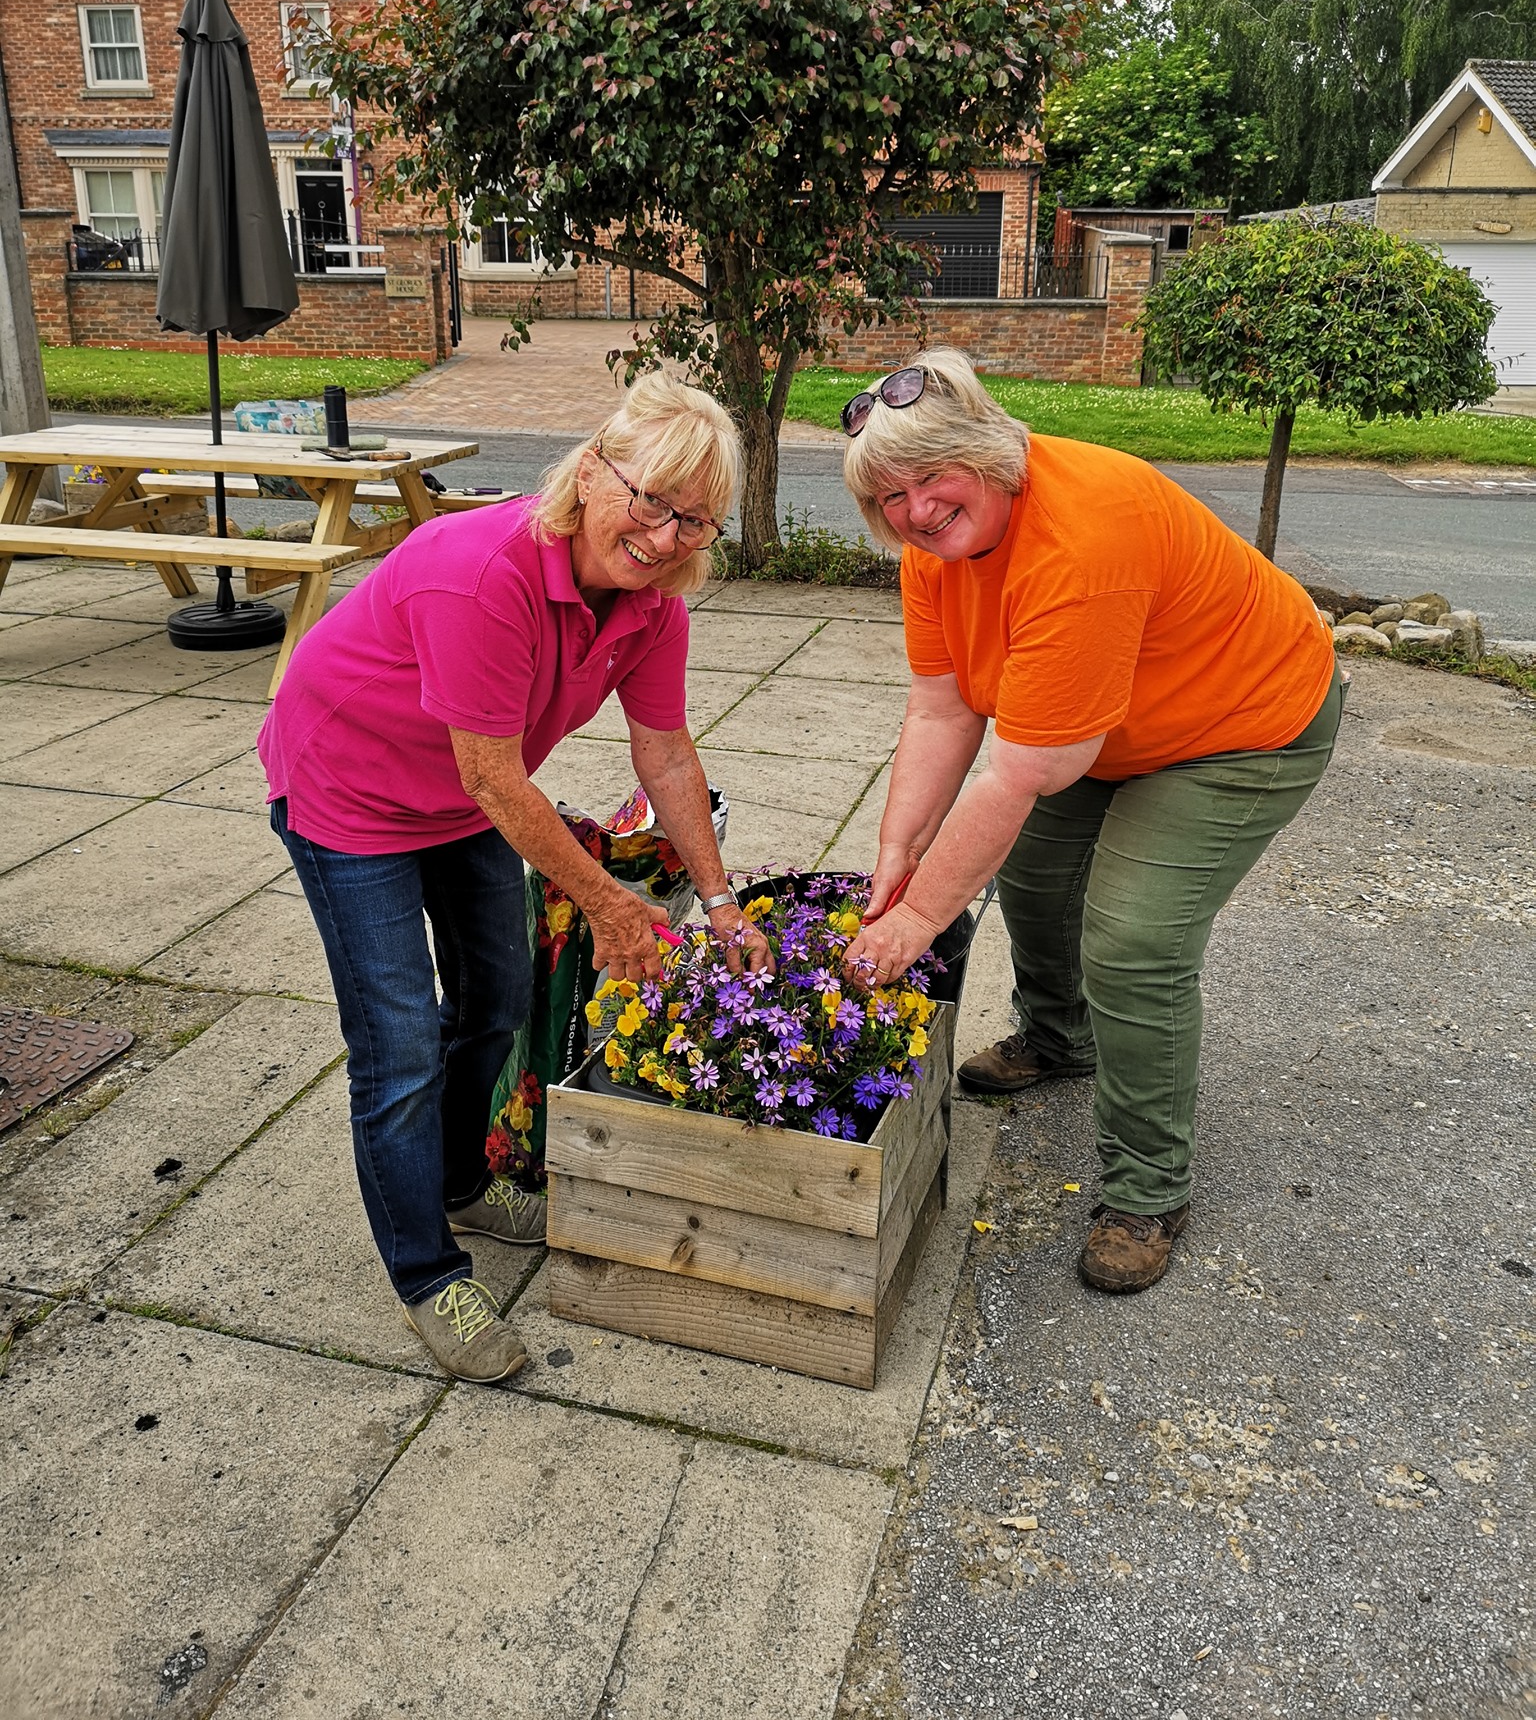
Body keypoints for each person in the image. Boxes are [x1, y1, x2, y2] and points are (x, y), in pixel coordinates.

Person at [258, 374, 767, 1381]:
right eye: (651, 499)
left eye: (694, 518)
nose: (665, 536)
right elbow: (493, 772)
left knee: (498, 996)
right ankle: (425, 1271)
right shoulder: (484, 572)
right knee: (398, 1040)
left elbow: (663, 751)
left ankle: (456, 1178)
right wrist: (612, 903)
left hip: (463, 796)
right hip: (348, 790)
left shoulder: (652, 608)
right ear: (592, 470)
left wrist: (718, 901)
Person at [839, 349, 1341, 1295]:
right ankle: (1059, 1040)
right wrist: (899, 850)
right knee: (1030, 878)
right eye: (890, 495)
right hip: (1093, 725)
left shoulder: (1082, 536)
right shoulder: (934, 556)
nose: (915, 508)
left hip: (1241, 725)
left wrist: (915, 922)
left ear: (986, 450)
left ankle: (1148, 1189)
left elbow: (1020, 773)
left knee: (1132, 938)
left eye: (930, 475)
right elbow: (942, 711)